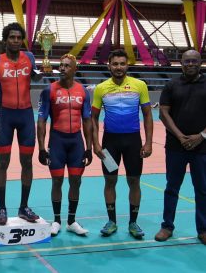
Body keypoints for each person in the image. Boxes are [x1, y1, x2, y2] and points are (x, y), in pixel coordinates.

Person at [0, 23, 41, 224]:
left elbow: (37, 76)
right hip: (5, 116)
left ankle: (24, 207)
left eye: (19, 38)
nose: (16, 41)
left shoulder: (30, 58)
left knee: (27, 163)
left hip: (26, 116)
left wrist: (41, 72)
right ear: (5, 40)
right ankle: (1, 208)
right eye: (12, 37)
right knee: (3, 163)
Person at [92, 49, 153, 239]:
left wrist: (148, 142)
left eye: (122, 64)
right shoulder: (101, 88)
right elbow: (93, 118)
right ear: (109, 65)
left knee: (134, 181)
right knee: (110, 181)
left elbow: (148, 115)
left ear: (128, 65)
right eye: (115, 64)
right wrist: (95, 143)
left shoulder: (139, 85)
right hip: (110, 143)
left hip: (133, 142)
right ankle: (112, 221)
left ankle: (133, 223)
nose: (119, 67)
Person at [37, 53, 93, 237]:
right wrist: (42, 148)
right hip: (57, 142)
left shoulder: (83, 92)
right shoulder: (49, 90)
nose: (62, 68)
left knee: (76, 181)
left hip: (76, 142)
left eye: (67, 65)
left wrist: (89, 147)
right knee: (57, 181)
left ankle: (71, 221)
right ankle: (56, 220)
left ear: (75, 69)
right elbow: (41, 120)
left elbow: (87, 121)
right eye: (60, 65)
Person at [154, 50, 206, 245]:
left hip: (202, 148)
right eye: (186, 61)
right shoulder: (171, 85)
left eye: (194, 61)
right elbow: (163, 114)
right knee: (172, 187)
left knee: (202, 189)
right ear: (181, 63)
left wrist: (200, 136)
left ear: (200, 63)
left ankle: (203, 229)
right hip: (176, 147)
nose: (190, 64)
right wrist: (180, 136)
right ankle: (167, 226)